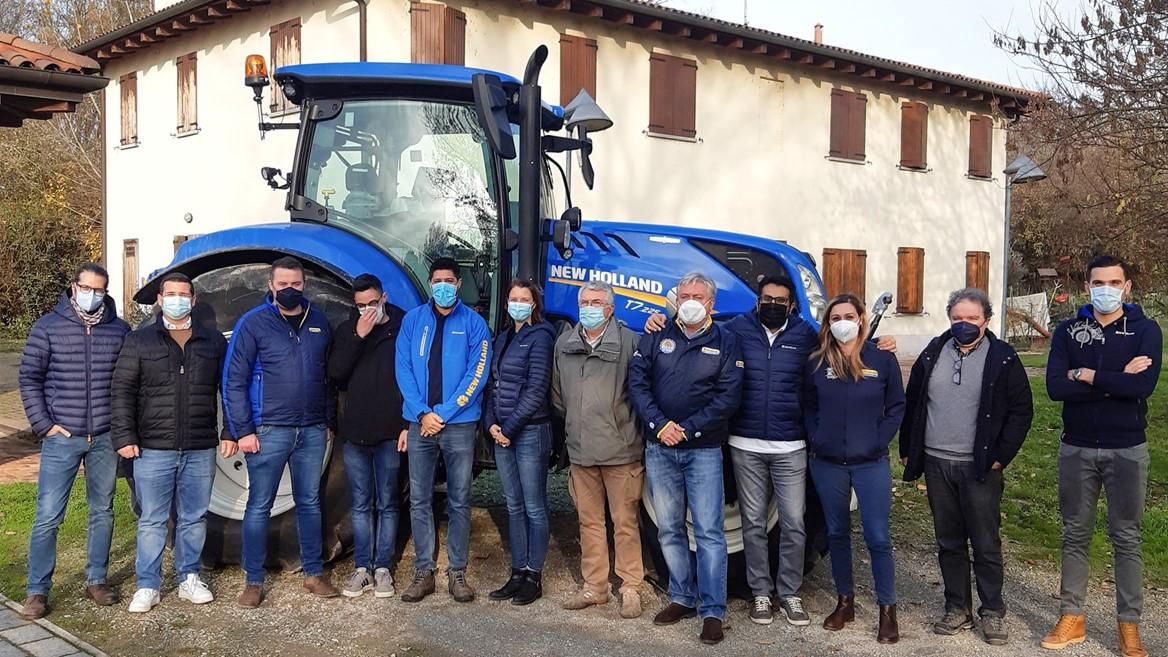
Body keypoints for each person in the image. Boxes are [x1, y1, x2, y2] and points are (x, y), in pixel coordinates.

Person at [642, 274, 898, 628]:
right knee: (753, 524)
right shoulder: (737, 330)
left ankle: (789, 592)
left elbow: (839, 358)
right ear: (757, 300)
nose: (773, 305)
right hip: (745, 444)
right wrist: (659, 320)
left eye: (780, 301)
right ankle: (760, 592)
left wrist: (878, 342)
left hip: (790, 445)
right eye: (767, 299)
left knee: (793, 522)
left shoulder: (806, 335)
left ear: (791, 305)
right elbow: (699, 327)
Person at [1041, 255, 1161, 657]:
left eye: (1114, 282)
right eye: (1097, 282)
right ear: (1086, 286)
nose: (1105, 289)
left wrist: (1087, 374)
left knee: (1126, 537)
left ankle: (1129, 626)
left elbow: (1142, 386)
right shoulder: (1068, 331)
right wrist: (1116, 380)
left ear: (1127, 287)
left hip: (1127, 447)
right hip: (1077, 446)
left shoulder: (1145, 330)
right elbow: (1056, 388)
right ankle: (1072, 616)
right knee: (1074, 533)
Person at [899, 288, 1033, 645]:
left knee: (986, 542)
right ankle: (957, 607)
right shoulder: (933, 352)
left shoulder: (1003, 358)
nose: (964, 324)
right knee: (949, 540)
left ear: (986, 321)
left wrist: (1001, 455)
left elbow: (1021, 412)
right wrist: (907, 448)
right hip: (937, 462)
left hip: (979, 467)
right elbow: (913, 402)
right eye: (958, 318)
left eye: (971, 319)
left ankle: (992, 612)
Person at [628, 272, 743, 646]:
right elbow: (637, 382)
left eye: (698, 295)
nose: (690, 300)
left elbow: (727, 398)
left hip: (703, 451)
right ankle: (682, 596)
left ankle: (713, 611)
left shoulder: (726, 341)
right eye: (684, 294)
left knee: (710, 533)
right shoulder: (657, 333)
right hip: (660, 448)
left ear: (711, 304)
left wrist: (688, 429)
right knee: (669, 528)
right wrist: (660, 425)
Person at [110, 273, 237, 613]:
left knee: (194, 517)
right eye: (171, 294)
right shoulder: (140, 341)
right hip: (153, 448)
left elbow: (229, 389)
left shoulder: (212, 342)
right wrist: (124, 437)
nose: (177, 299)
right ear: (160, 300)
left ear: (193, 301)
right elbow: (122, 391)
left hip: (199, 446)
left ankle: (189, 577)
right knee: (152, 519)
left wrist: (230, 431)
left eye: (184, 294)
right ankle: (147, 585)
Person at [223, 256, 338, 607]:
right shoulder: (253, 324)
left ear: (305, 285)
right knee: (259, 505)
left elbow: (328, 378)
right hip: (269, 430)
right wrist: (242, 430)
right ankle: (253, 581)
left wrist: (328, 421)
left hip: (312, 429)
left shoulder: (318, 321)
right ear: (271, 286)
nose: (290, 290)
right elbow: (233, 381)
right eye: (283, 285)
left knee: (309, 503)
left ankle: (313, 573)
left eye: (297, 285)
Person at [17, 262, 130, 619]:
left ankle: (96, 579)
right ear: (73, 287)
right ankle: (37, 591)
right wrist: (44, 424)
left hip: (104, 437)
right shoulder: (48, 327)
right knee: (48, 516)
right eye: (88, 288)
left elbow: (127, 382)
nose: (93, 295)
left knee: (102, 511)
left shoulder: (119, 330)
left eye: (100, 290)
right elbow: (29, 378)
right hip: (62, 437)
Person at [803, 293, 905, 644]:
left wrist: (879, 441)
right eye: (835, 318)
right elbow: (807, 405)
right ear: (828, 324)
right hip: (828, 463)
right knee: (836, 533)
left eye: (848, 315)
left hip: (870, 462)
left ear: (861, 318)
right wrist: (816, 437)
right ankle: (845, 602)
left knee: (878, 537)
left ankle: (887, 610)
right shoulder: (817, 361)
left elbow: (896, 406)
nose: (842, 322)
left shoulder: (882, 357)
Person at [396, 257, 491, 604]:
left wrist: (445, 412)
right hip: (420, 423)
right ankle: (424, 572)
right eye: (437, 280)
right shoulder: (413, 321)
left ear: (458, 284)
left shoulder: (474, 324)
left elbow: (477, 373)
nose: (443, 286)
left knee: (459, 499)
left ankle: (457, 572)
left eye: (449, 281)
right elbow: (403, 370)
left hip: (459, 425)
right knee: (419, 499)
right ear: (430, 282)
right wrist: (423, 413)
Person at [551, 281, 645, 620]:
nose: (589, 307)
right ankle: (595, 588)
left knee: (625, 522)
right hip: (581, 451)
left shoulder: (631, 342)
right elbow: (558, 395)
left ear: (610, 308)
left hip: (621, 451)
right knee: (589, 522)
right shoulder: (564, 344)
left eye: (596, 302)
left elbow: (640, 394)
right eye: (584, 301)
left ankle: (631, 586)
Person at [327, 273, 407, 599]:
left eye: (372, 303)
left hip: (390, 433)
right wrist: (359, 336)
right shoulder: (347, 331)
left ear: (383, 298)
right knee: (360, 504)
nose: (367, 310)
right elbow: (335, 374)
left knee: (388, 503)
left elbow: (410, 378)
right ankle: (363, 569)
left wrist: (406, 426)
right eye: (360, 305)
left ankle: (384, 568)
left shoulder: (401, 328)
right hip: (356, 434)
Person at [483, 280, 556, 606]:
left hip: (529, 432)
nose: (517, 303)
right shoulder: (502, 338)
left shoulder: (541, 337)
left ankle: (533, 576)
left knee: (534, 506)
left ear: (535, 304)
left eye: (523, 299)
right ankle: (516, 572)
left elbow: (537, 388)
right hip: (503, 433)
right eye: (512, 298)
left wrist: (509, 428)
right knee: (513, 505)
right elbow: (492, 385)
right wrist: (491, 424)